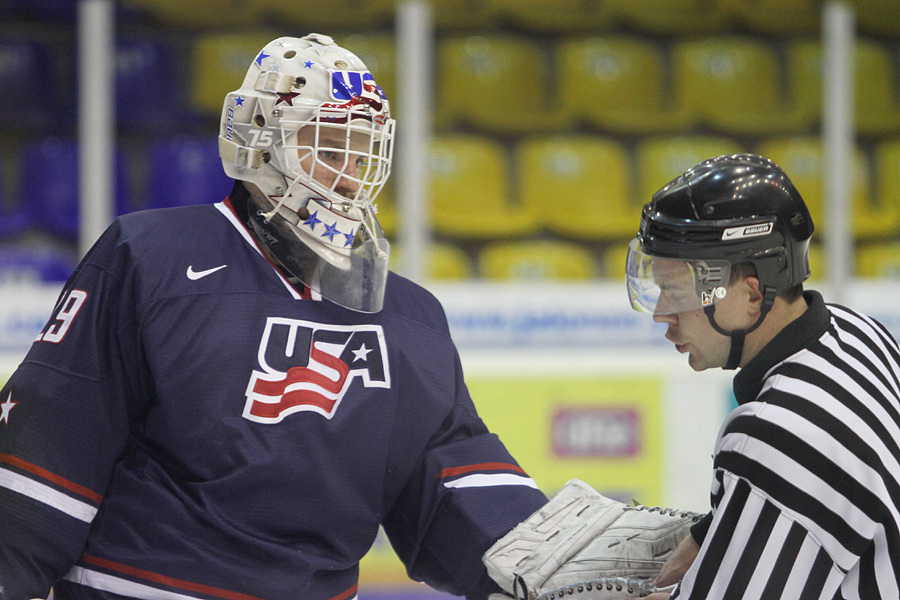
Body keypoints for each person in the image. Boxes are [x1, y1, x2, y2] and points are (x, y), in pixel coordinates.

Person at [0, 33, 548, 600]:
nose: (348, 177)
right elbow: (51, 444)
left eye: (362, 156)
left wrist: (549, 569)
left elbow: (452, 487)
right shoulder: (151, 258)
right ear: (258, 144)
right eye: (330, 150)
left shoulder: (409, 316)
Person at [625, 153, 900, 599]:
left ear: (751, 294)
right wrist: (716, 530)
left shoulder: (772, 433)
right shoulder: (859, 330)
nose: (662, 316)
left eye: (675, 293)